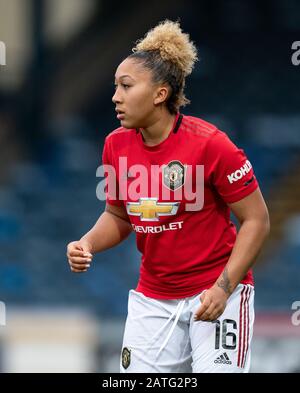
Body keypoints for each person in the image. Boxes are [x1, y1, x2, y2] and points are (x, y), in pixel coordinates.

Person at [66, 20, 270, 373]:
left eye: (126, 86)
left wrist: (224, 288)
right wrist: (87, 244)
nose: (116, 96)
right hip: (153, 301)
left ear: (160, 94)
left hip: (218, 294)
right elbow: (118, 216)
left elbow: (257, 220)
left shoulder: (211, 144)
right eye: (116, 86)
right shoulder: (115, 145)